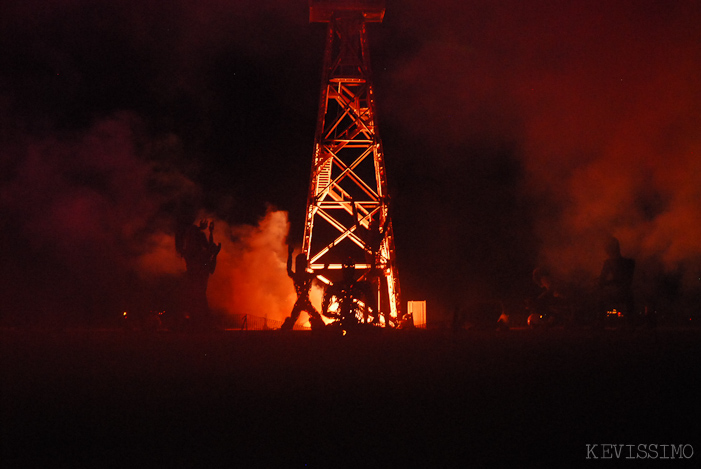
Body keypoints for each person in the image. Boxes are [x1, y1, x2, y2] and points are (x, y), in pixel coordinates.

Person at [176, 219, 221, 327]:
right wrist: (209, 232)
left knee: (198, 294)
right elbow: (209, 247)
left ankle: (200, 318)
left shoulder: (200, 256)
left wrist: (210, 233)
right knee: (198, 294)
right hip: (197, 270)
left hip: (199, 269)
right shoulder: (197, 254)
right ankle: (200, 319)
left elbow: (209, 248)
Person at [281, 246, 324, 331]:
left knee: (293, 319)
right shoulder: (307, 276)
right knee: (317, 317)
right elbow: (318, 273)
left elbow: (289, 269)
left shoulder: (297, 276)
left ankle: (285, 332)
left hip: (301, 302)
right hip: (304, 302)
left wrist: (290, 254)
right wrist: (324, 267)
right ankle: (323, 330)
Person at [597, 237, 635, 328]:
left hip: (618, 292)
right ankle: (631, 324)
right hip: (624, 292)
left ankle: (600, 324)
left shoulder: (609, 262)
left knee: (598, 298)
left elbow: (602, 280)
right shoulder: (630, 262)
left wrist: (607, 283)